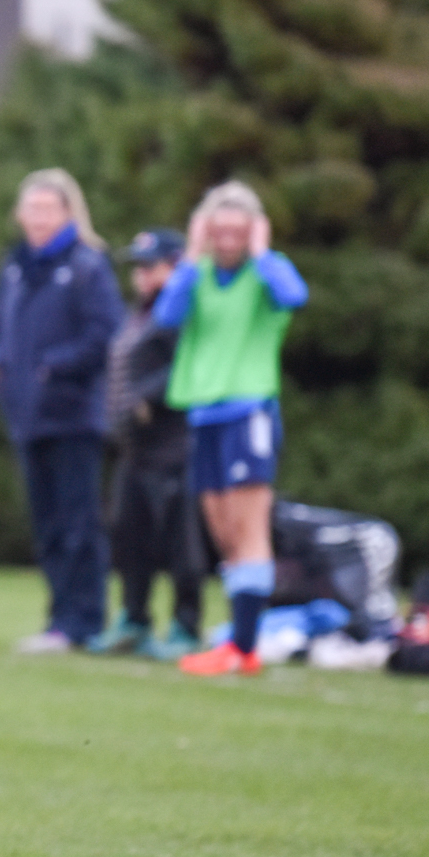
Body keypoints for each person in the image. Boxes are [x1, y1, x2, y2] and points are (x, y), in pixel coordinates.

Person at [156, 182, 309, 676]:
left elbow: (294, 295)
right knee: (221, 530)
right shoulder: (196, 275)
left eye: (236, 230)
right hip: (204, 415)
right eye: (217, 229)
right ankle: (240, 638)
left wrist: (262, 252)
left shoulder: (267, 275)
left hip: (249, 413)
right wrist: (193, 254)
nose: (227, 239)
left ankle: (243, 648)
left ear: (252, 231)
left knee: (248, 526)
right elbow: (167, 314)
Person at [0, 169, 125, 652]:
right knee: (47, 526)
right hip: (27, 417)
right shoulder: (15, 269)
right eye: (32, 209)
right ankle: (60, 616)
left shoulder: (86, 266)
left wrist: (54, 368)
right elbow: (0, 330)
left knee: (78, 523)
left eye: (48, 209)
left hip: (73, 415)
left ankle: (84, 620)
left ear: (68, 213)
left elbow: (105, 334)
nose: (39, 218)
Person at [89, 229, 205, 660]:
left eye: (150, 266)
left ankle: (186, 624)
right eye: (137, 266)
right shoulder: (137, 314)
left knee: (180, 539)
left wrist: (145, 400)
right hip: (134, 448)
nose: (141, 275)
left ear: (176, 266)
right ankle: (134, 618)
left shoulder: (179, 313)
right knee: (129, 533)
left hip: (171, 444)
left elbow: (188, 363)